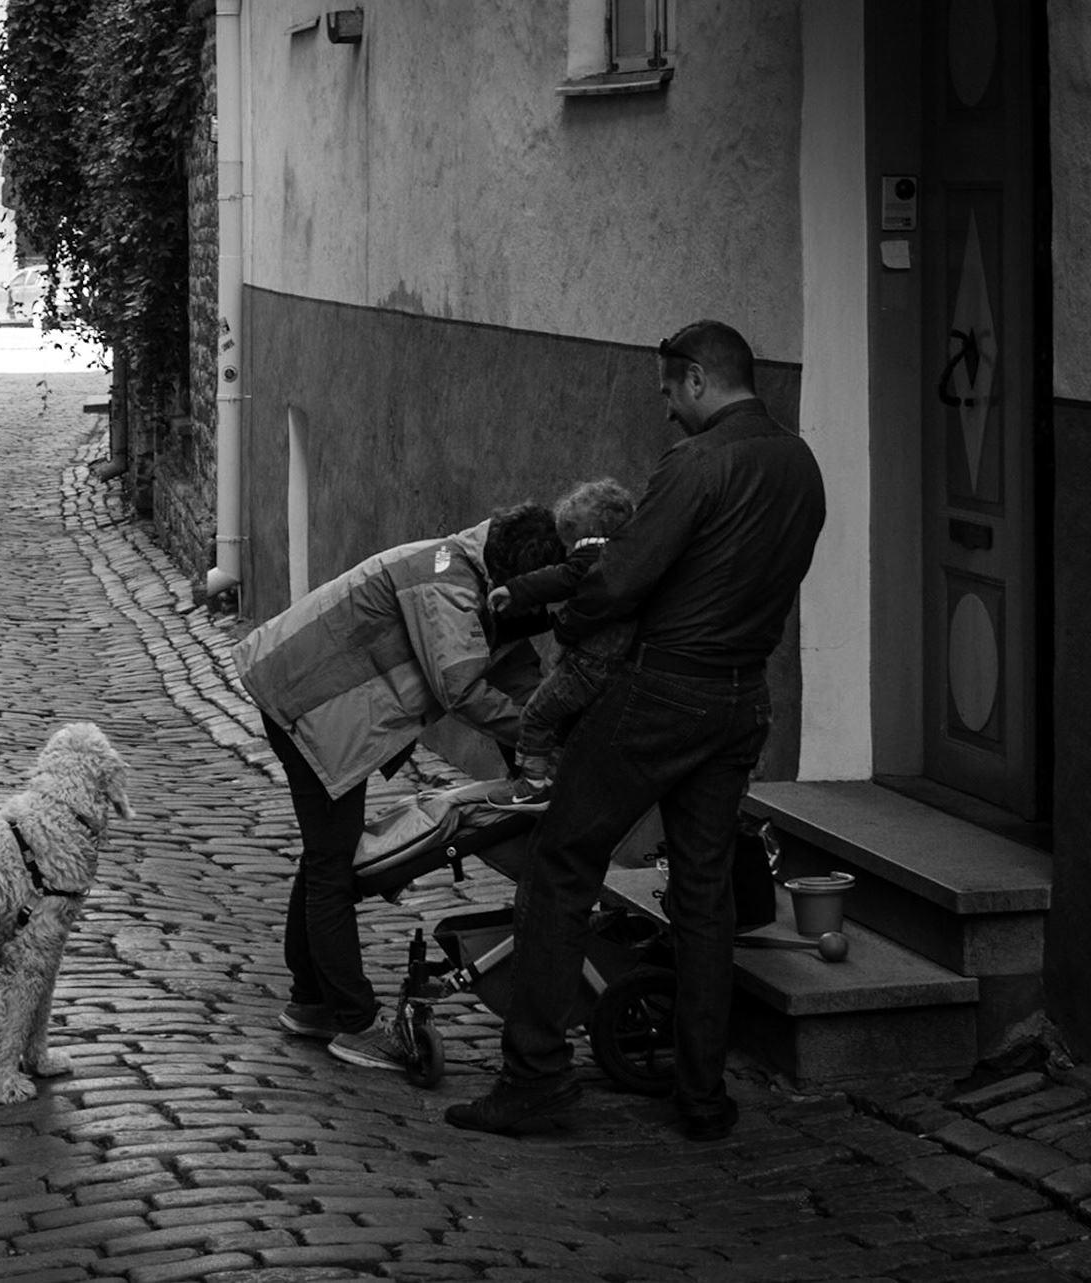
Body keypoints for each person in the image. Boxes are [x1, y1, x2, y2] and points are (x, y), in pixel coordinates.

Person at [445, 320, 826, 1141]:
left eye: (666, 392)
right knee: (703, 892)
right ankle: (701, 1092)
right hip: (741, 697)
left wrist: (571, 621)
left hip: (664, 692)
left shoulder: (695, 464)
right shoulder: (801, 464)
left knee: (560, 862)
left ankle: (536, 1076)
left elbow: (619, 575)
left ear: (697, 380)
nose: (665, 412)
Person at [234, 505, 567, 1071]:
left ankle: (312, 1001)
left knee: (325, 858)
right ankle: (354, 1023)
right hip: (308, 704)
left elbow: (512, 673)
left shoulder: (480, 574)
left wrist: (543, 747)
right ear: (511, 577)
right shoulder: (445, 579)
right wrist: (539, 740)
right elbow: (463, 685)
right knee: (333, 868)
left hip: (318, 702)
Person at [482, 477, 639, 812]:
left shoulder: (595, 554)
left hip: (587, 662)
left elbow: (564, 576)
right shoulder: (633, 557)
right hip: (615, 664)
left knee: (537, 715)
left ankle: (532, 785)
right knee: (565, 722)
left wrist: (515, 589)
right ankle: (555, 778)